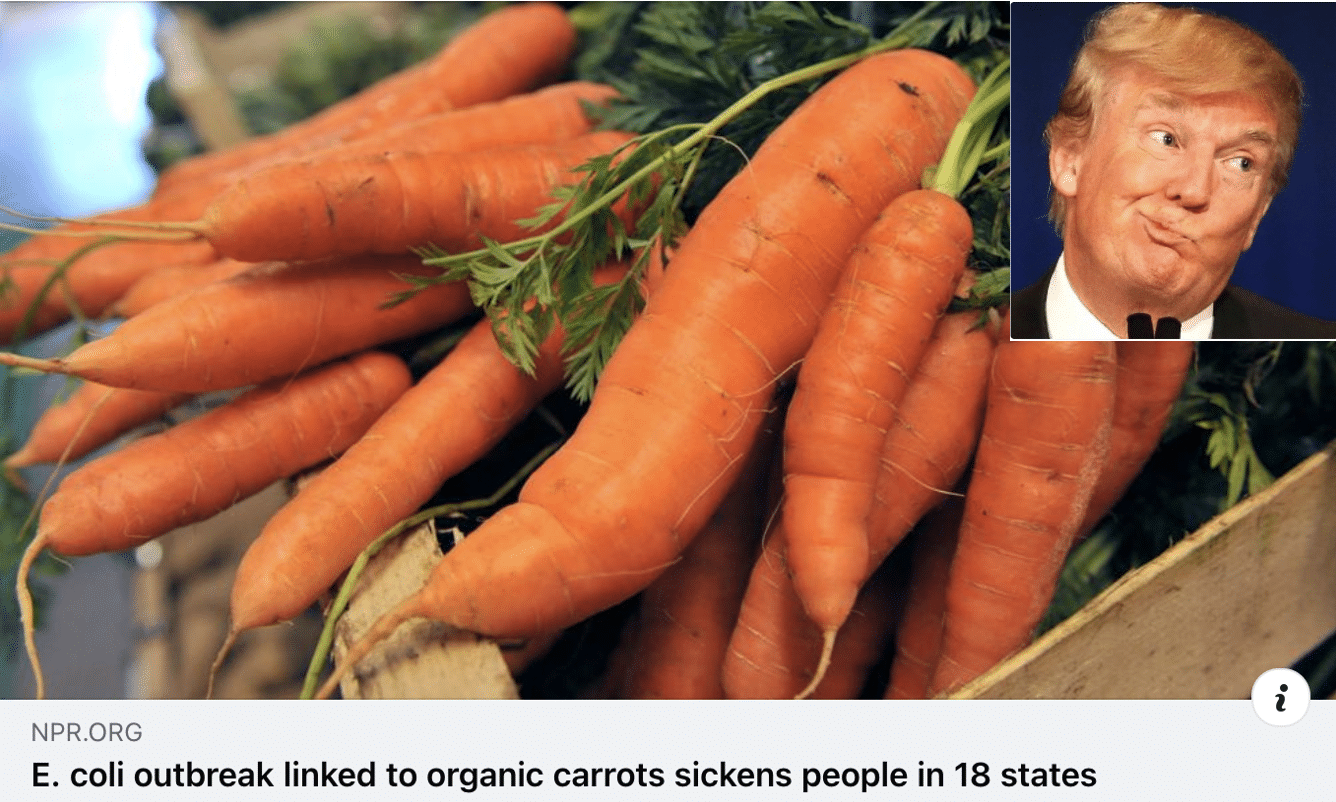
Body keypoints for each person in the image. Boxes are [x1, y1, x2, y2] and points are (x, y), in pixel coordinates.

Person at [1010, 3, 1336, 340]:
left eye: (1241, 162)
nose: (1195, 190)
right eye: (1166, 139)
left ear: (1258, 214)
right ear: (1070, 158)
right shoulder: (982, 336)